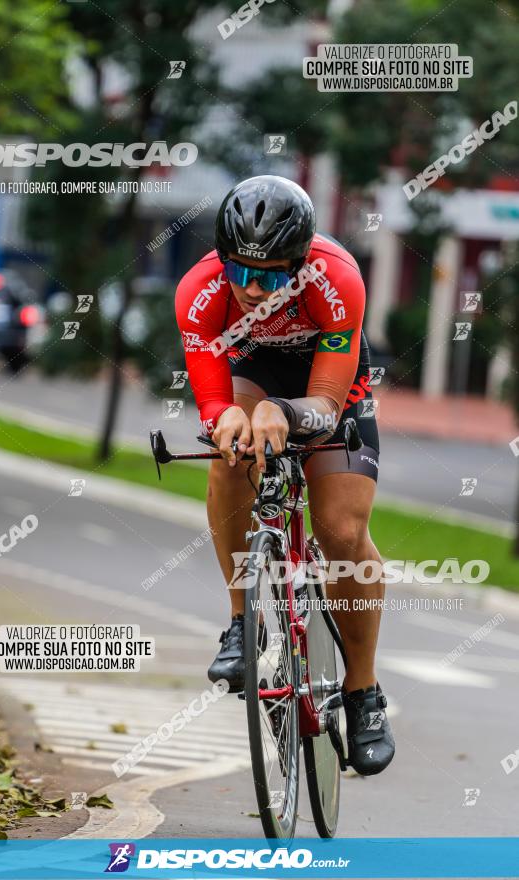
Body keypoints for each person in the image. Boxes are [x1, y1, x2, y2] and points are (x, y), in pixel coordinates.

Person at [175, 175, 394, 776]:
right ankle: (239, 626)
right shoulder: (199, 291)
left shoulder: (337, 276)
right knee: (231, 453)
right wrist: (230, 423)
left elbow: (325, 405)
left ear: (300, 262)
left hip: (330, 379)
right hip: (253, 369)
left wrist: (286, 412)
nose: (250, 288)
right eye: (238, 270)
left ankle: (363, 692)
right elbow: (214, 403)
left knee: (341, 530)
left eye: (271, 275)